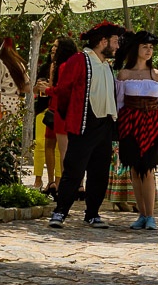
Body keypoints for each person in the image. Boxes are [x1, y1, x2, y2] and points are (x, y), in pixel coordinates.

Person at [48, 22, 125, 228]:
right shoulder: (79, 61)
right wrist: (70, 116)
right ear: (102, 41)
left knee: (99, 172)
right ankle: (60, 211)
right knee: (74, 170)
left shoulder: (107, 65)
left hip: (105, 125)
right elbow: (63, 91)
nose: (117, 46)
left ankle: (92, 213)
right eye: (115, 41)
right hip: (85, 124)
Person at [114, 30, 158, 231]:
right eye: (145, 47)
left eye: (151, 47)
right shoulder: (124, 74)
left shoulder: (156, 75)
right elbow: (119, 104)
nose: (149, 51)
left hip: (152, 126)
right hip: (130, 126)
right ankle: (141, 214)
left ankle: (151, 215)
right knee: (134, 171)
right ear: (136, 49)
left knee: (148, 170)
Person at [33, 37, 76, 192]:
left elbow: (62, 90)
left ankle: (63, 183)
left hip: (60, 110)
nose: (53, 49)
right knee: (48, 145)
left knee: (62, 149)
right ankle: (52, 181)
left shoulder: (65, 66)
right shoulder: (54, 66)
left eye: (56, 47)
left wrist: (48, 90)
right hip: (52, 109)